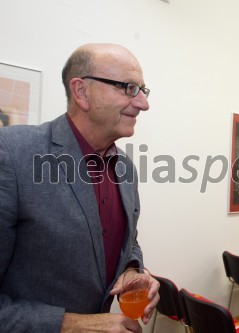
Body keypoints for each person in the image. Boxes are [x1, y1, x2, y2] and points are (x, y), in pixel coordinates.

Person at [0, 43, 159, 332]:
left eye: (142, 91)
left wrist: (133, 269)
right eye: (128, 88)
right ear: (81, 91)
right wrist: (73, 325)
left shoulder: (125, 168)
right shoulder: (11, 154)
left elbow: (128, 240)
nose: (143, 104)